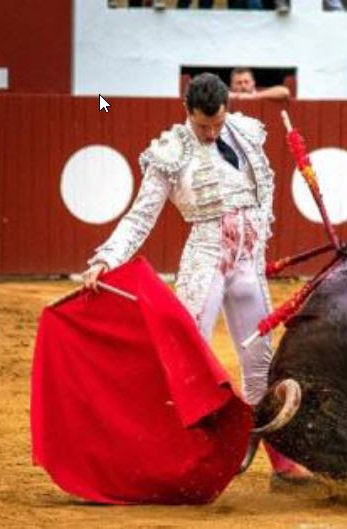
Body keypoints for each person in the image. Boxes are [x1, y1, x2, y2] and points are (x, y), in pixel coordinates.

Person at [82, 72, 311, 484]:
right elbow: (140, 217)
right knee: (188, 363)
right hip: (205, 263)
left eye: (218, 123)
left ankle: (281, 464)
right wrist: (106, 259)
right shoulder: (170, 151)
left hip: (248, 263)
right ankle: (179, 458)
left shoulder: (243, 132)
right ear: (187, 111)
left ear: (227, 110)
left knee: (260, 364)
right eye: (203, 125)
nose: (211, 132)